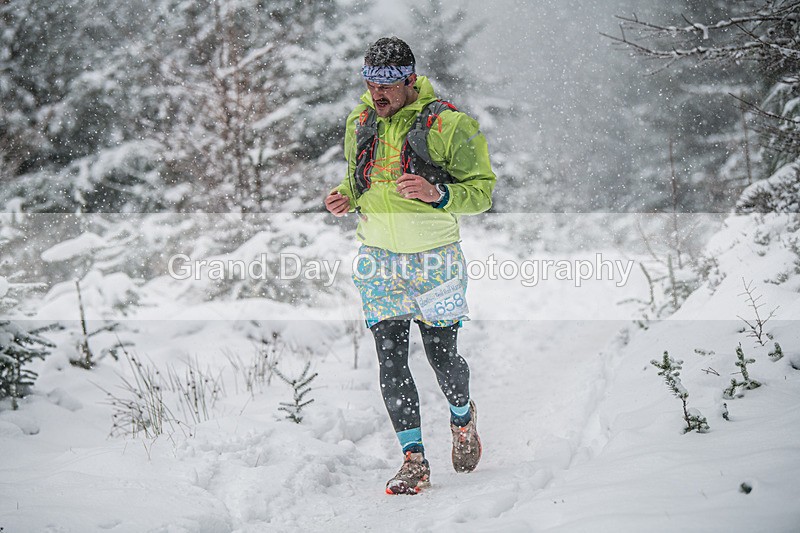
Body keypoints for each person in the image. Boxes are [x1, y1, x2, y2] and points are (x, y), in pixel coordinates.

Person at [325, 37, 496, 495]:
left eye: (387, 84)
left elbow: (482, 192)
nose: (377, 92)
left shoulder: (449, 124)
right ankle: (413, 459)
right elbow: (355, 178)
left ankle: (462, 419)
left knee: (442, 357)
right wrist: (346, 196)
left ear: (408, 80)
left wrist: (439, 194)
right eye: (370, 81)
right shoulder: (359, 122)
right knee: (391, 358)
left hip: (435, 259)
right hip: (379, 259)